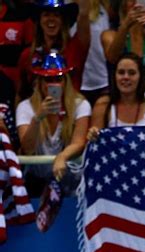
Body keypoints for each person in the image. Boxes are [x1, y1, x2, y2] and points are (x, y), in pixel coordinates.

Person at [16, 50, 90, 195]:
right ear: (40, 82)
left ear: (66, 81)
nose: (53, 84)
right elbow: (28, 148)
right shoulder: (25, 107)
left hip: (69, 178)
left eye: (58, 79)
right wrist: (37, 118)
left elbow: (79, 142)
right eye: (48, 80)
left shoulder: (80, 104)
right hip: (37, 182)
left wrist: (61, 157)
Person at [87, 52, 145, 136]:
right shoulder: (103, 104)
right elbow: (97, 144)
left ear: (141, 77)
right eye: (121, 72)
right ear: (114, 76)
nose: (126, 77)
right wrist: (93, 134)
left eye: (132, 73)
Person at [19, 0, 90, 97]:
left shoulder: (75, 49)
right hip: (37, 110)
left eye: (56, 15)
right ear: (39, 20)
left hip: (71, 109)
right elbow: (21, 94)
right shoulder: (28, 55)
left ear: (63, 21)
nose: (51, 19)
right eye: (46, 15)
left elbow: (84, 14)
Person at [101, 0, 145, 92]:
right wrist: (125, 25)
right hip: (121, 99)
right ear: (123, 6)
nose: (136, 3)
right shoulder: (110, 35)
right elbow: (112, 58)